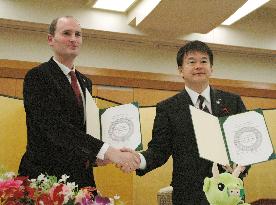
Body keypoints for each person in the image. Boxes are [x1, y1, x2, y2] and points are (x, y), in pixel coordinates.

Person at [18, 16, 140, 189]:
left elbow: (82, 131)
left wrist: (98, 157)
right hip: (45, 178)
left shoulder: (84, 82)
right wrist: (108, 150)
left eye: (78, 34)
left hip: (81, 178)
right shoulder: (38, 76)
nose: (74, 39)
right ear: (50, 39)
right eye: (67, 33)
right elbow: (55, 128)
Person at [135, 40, 249, 204]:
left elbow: (246, 144)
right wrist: (138, 160)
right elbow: (159, 150)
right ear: (181, 70)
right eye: (191, 62)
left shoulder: (233, 102)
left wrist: (240, 169)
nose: (198, 66)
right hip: (188, 195)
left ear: (211, 68)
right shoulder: (168, 108)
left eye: (204, 61)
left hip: (230, 193)